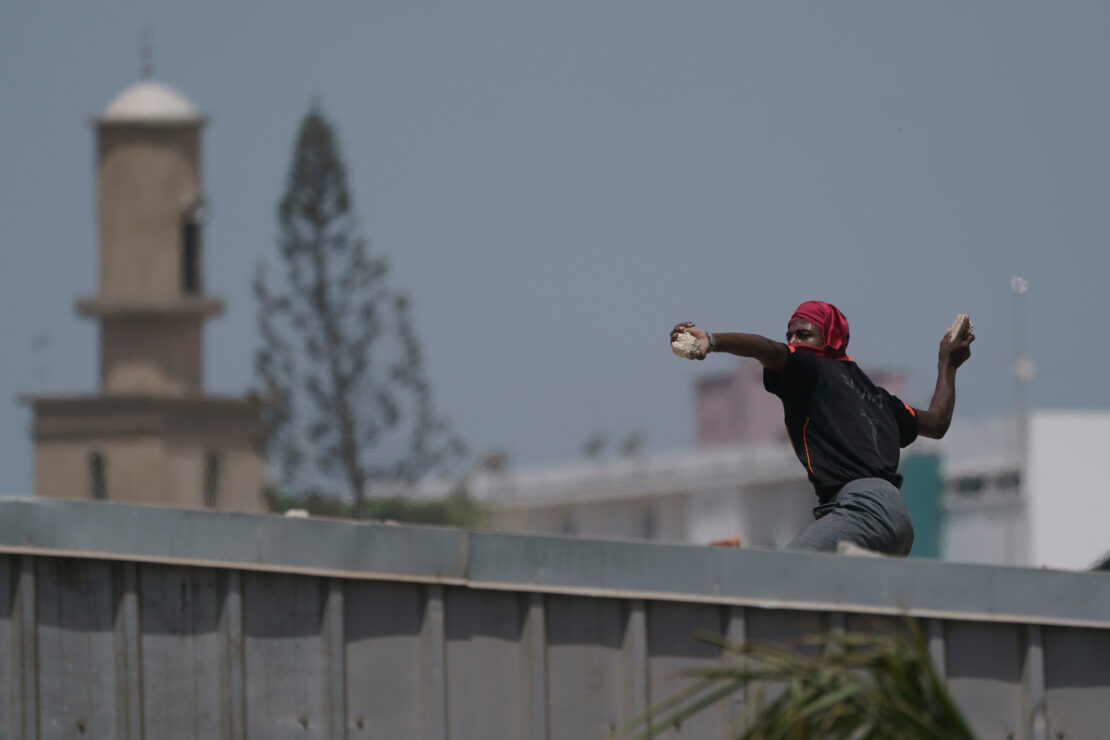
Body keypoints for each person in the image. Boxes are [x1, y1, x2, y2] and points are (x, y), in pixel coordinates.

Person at [671, 301, 973, 556]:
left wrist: (712, 340)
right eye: (790, 335)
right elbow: (936, 423)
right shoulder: (880, 399)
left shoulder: (810, 367)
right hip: (897, 523)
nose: (794, 343)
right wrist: (947, 363)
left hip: (863, 511)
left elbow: (770, 350)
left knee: (780, 578)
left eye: (804, 334)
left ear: (830, 339)